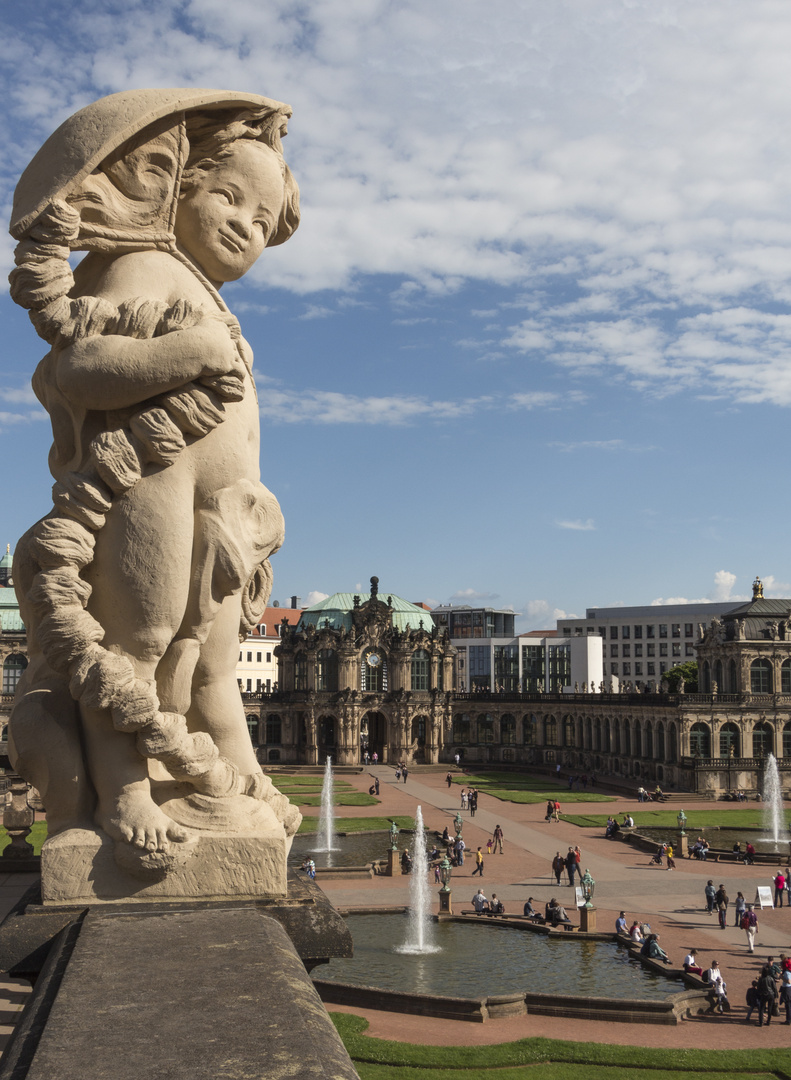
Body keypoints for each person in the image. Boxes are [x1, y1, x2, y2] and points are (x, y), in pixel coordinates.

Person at [8, 91, 303, 870]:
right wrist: (188, 355)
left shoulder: (195, 289)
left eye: (263, 223)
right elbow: (82, 367)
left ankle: (238, 778)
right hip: (149, 481)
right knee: (137, 637)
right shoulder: (144, 265)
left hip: (221, 510)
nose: (246, 225)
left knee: (210, 661)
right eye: (230, 197)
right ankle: (125, 793)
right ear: (175, 185)